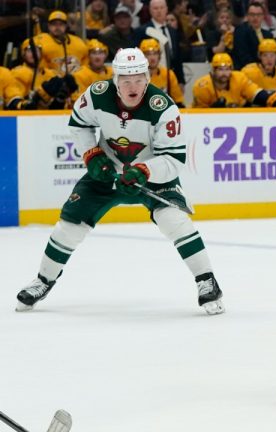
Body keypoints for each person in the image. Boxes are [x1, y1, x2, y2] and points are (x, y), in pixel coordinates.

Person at [15, 48, 225, 315]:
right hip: (107, 172)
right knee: (69, 225)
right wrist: (91, 154)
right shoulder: (97, 94)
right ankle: (43, 281)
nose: (132, 86)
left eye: (138, 78)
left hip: (151, 177)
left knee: (174, 220)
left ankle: (206, 280)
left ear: (147, 78)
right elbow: (78, 124)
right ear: (116, 81)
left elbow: (173, 160)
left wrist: (144, 171)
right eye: (126, 80)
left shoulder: (163, 108)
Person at [192, 52, 276, 107]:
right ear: (213, 71)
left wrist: (274, 100)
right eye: (220, 69)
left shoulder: (239, 78)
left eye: (227, 69)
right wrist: (213, 109)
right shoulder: (202, 86)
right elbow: (197, 116)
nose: (224, 73)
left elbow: (255, 93)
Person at [10, 38, 72, 109]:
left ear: (41, 53)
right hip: (27, 115)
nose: (34, 53)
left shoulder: (51, 74)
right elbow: (17, 101)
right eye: (30, 50)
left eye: (37, 50)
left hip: (50, 115)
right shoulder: (18, 72)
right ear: (23, 54)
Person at [37, 10, 89, 77]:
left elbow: (85, 65)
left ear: (66, 26)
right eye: (54, 24)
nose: (57, 27)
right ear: (48, 26)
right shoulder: (40, 41)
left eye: (61, 24)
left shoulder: (78, 42)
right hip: (51, 81)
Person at [141, 38, 185, 107]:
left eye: (155, 53)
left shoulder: (168, 74)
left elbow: (178, 101)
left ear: (159, 55)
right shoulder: (137, 76)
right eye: (148, 54)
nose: (152, 58)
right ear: (142, 56)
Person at [232, 2, 274, 69]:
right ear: (247, 16)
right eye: (252, 14)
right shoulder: (240, 31)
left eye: (259, 15)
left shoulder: (268, 35)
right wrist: (261, 68)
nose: (255, 17)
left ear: (263, 16)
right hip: (246, 71)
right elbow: (244, 56)